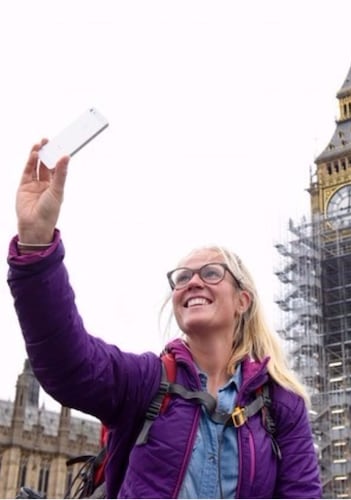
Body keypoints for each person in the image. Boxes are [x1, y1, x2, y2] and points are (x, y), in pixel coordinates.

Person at [7, 140, 322, 498]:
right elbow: (68, 361)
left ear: (242, 300)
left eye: (211, 273)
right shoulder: (145, 382)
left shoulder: (281, 405)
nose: (194, 282)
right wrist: (35, 243)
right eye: (183, 278)